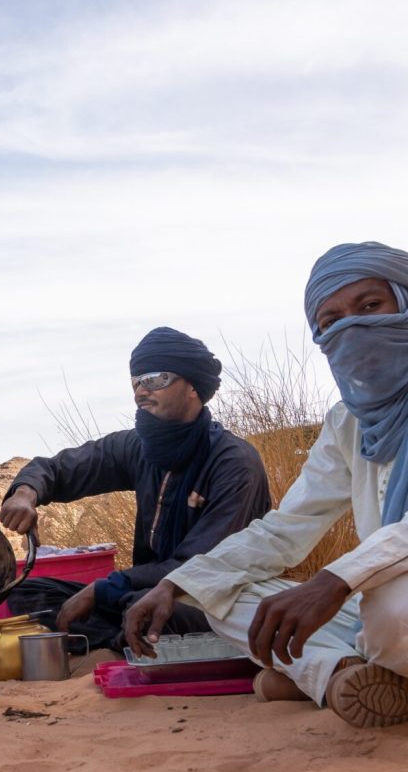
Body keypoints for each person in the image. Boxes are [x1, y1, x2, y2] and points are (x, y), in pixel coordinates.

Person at [125, 242, 408, 728]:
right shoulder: (348, 423)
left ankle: (318, 677)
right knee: (222, 593)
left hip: (393, 605)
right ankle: (340, 675)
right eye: (330, 321)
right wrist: (176, 582)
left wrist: (335, 581)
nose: (350, 328)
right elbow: (286, 529)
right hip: (381, 608)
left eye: (369, 307)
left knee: (391, 606)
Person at [0, 329, 271, 650]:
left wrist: (104, 589)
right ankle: (123, 640)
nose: (141, 390)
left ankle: (124, 639)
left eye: (155, 379)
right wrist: (25, 492)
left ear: (193, 386)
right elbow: (60, 469)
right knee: (27, 592)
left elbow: (199, 565)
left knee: (148, 608)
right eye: (136, 381)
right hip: (140, 589)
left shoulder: (233, 462)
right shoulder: (137, 447)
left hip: (215, 595)